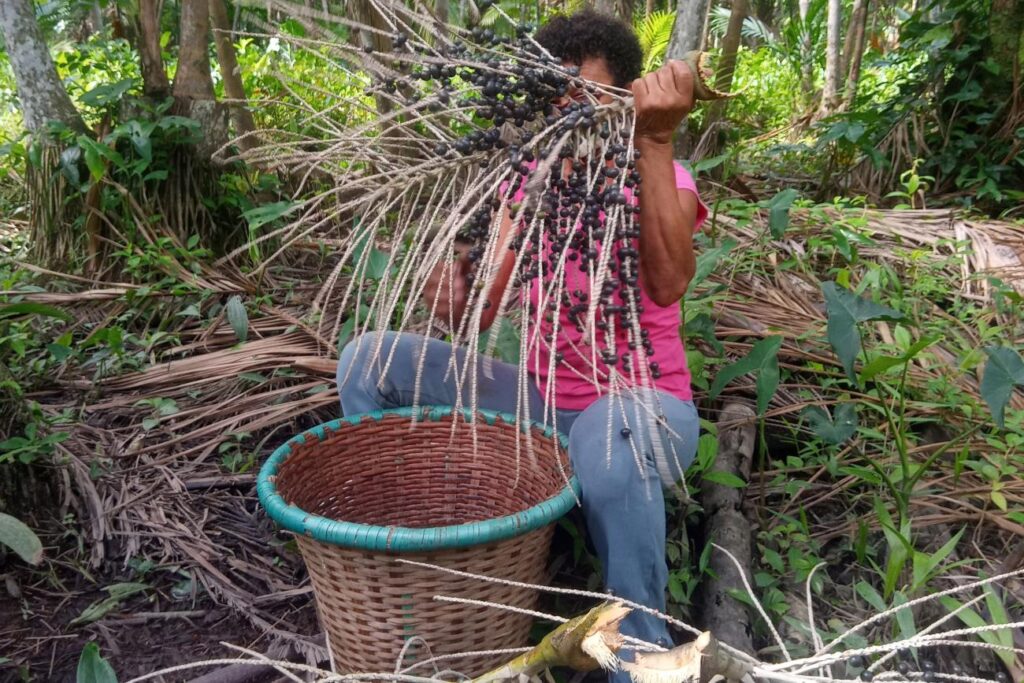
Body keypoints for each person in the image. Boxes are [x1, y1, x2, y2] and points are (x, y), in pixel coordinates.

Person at [337, 9, 708, 676]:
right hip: (540, 407)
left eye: (586, 97)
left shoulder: (662, 177)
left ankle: (645, 655)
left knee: (610, 432)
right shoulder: (528, 182)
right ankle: (423, 549)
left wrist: (655, 143)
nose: (568, 114)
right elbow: (470, 309)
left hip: (644, 409)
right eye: (554, 98)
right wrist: (448, 263)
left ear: (624, 102)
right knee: (372, 361)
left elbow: (671, 279)